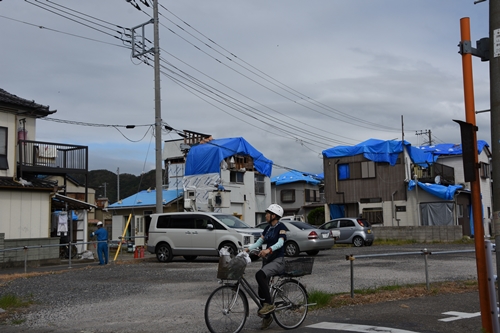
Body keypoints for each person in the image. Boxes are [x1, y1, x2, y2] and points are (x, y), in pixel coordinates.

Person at [246, 204, 287, 330]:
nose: (265, 215)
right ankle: (267, 317)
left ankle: (269, 305)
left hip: (278, 260)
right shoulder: (268, 228)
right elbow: (259, 242)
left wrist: (269, 250)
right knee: (261, 291)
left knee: (259, 275)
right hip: (269, 261)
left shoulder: (281, 227)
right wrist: (247, 249)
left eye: (267, 213)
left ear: (274, 215)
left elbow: (280, 242)